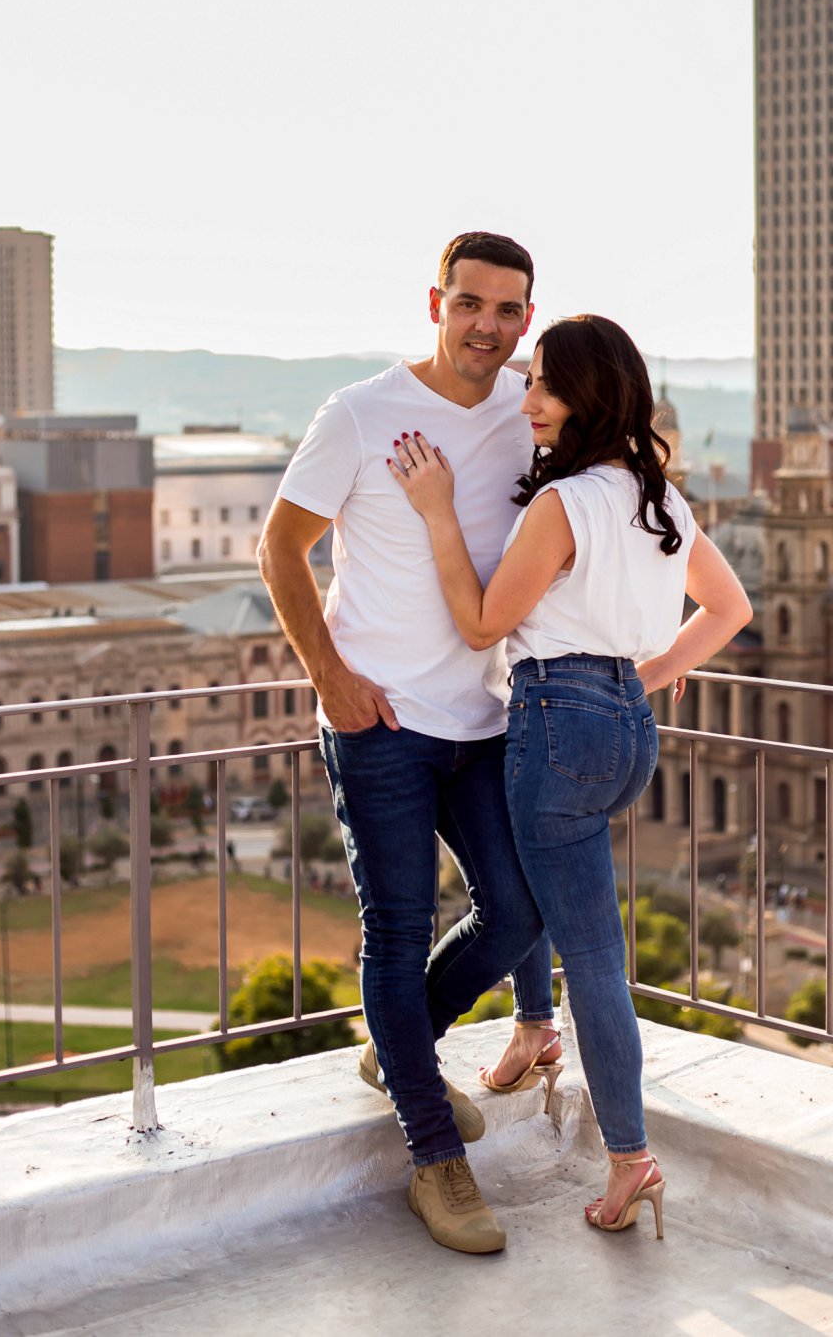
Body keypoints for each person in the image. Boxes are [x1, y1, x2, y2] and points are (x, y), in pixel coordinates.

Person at [390, 314, 753, 1238]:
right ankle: (531, 1029)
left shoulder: (563, 505)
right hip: (626, 726)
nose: (530, 401)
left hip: (555, 717)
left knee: (594, 954)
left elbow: (482, 623)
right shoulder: (658, 497)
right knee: (533, 879)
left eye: (548, 384)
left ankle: (630, 1156)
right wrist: (644, 676)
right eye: (530, 382)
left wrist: (436, 510)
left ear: (592, 395)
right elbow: (729, 607)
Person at [258, 231, 553, 1256]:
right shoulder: (359, 412)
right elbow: (279, 549)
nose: (487, 326)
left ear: (526, 317)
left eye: (507, 310)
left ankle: (402, 1048)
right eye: (470, 303)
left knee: (519, 908)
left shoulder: (528, 414)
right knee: (395, 928)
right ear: (436, 303)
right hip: (379, 722)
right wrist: (330, 679)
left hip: (485, 718)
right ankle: (436, 1157)